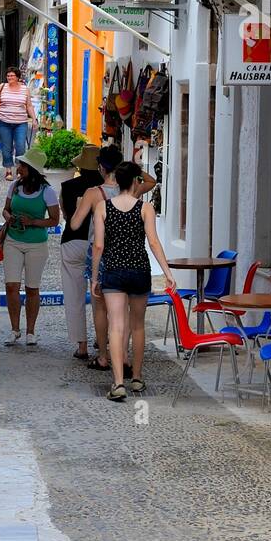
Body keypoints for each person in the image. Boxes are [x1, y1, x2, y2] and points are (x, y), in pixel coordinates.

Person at [90, 159, 175, 402]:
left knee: (116, 325)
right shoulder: (145, 208)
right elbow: (154, 242)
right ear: (136, 182)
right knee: (137, 325)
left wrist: (95, 277)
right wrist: (168, 273)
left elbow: (98, 246)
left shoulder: (103, 207)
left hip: (114, 271)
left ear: (116, 181)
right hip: (139, 270)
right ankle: (137, 377)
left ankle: (117, 383)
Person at [2, 145, 60, 347]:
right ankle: (14, 329)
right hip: (13, 241)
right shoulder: (15, 187)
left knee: (32, 288)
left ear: (32, 170)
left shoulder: (47, 192)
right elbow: (5, 210)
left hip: (37, 244)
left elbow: (54, 220)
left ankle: (31, 331)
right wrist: (9, 217)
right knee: (11, 286)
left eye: (23, 166)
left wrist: (32, 222)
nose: (19, 169)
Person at [60, 143, 105, 361]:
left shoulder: (67, 186)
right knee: (99, 295)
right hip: (97, 242)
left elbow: (67, 215)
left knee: (74, 296)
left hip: (71, 242)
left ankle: (82, 345)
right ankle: (101, 338)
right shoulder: (106, 188)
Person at [0, 66, 36, 180]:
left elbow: (29, 105)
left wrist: (34, 118)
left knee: (21, 146)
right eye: (8, 76)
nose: (9, 78)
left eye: (12, 76)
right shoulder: (2, 87)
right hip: (3, 121)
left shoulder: (25, 89)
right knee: (7, 147)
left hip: (21, 122)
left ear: (17, 77)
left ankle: (20, 169)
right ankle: (8, 170)